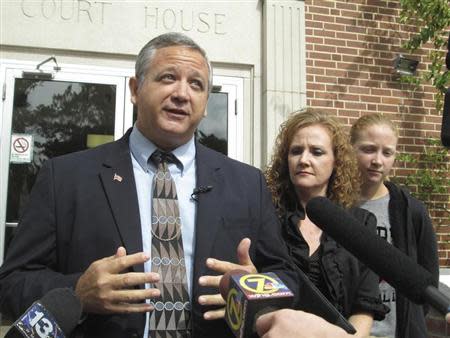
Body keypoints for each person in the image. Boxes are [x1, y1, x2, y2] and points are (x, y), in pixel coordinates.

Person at [0, 32, 298, 338]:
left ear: (206, 103)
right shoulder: (64, 178)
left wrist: (258, 289)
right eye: (168, 77)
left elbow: (286, 276)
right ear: (135, 88)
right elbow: (10, 283)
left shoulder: (247, 183)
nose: (183, 93)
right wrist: (77, 291)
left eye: (197, 84)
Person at [265, 109, 387, 337]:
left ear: (335, 162)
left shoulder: (359, 225)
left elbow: (365, 306)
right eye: (296, 151)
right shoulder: (266, 218)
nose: (304, 160)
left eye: (317, 152)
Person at [350, 113, 439, 338]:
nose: (378, 160)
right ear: (351, 149)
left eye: (387, 152)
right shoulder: (334, 207)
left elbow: (428, 280)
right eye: (368, 149)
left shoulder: (411, 211)